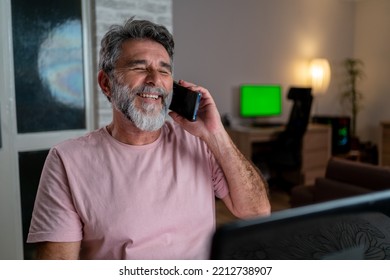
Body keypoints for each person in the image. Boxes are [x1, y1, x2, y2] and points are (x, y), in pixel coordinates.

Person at [27, 17, 271, 260]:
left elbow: (257, 211)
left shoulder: (199, 142)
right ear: (106, 83)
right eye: (140, 67)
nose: (155, 80)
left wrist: (216, 134)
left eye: (164, 70)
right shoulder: (66, 161)